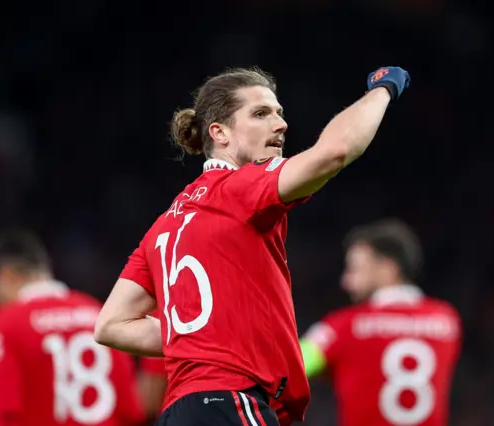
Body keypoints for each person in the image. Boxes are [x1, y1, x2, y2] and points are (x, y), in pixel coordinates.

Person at [93, 65, 411, 426]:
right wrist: (383, 88)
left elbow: (111, 324)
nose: (280, 124)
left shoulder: (164, 224)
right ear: (220, 133)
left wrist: (204, 338)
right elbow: (335, 151)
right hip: (230, 402)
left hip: (180, 412)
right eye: (261, 113)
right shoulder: (239, 189)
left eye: (279, 113)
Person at [300, 219, 462, 426]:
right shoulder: (447, 321)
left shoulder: (344, 327)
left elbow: (296, 365)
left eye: (355, 270)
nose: (345, 281)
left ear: (388, 268)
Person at [0, 230, 146, 426]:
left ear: (5, 275)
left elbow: (3, 413)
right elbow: (131, 410)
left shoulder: (2, 326)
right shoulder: (100, 315)